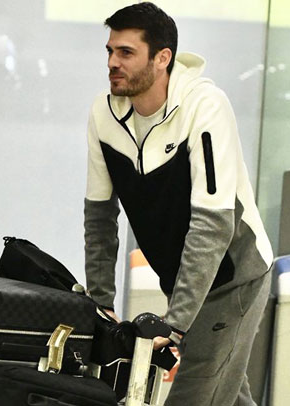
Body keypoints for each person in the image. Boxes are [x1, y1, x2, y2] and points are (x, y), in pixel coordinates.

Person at [83, 3, 274, 405]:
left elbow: (212, 225)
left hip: (233, 280)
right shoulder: (104, 113)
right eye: (110, 51)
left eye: (126, 52)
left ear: (162, 57)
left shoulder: (205, 106)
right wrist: (100, 303)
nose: (113, 62)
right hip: (182, 281)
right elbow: (100, 217)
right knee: (225, 395)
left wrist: (176, 323)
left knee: (195, 395)